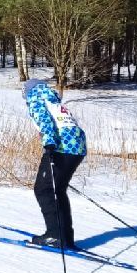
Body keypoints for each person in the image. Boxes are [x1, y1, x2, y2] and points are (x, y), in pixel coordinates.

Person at [22, 79, 86, 249]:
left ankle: (54, 235)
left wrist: (49, 143)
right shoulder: (55, 102)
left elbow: (45, 122)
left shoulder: (36, 99)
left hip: (60, 148)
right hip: (77, 149)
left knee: (43, 190)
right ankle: (65, 237)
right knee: (58, 190)